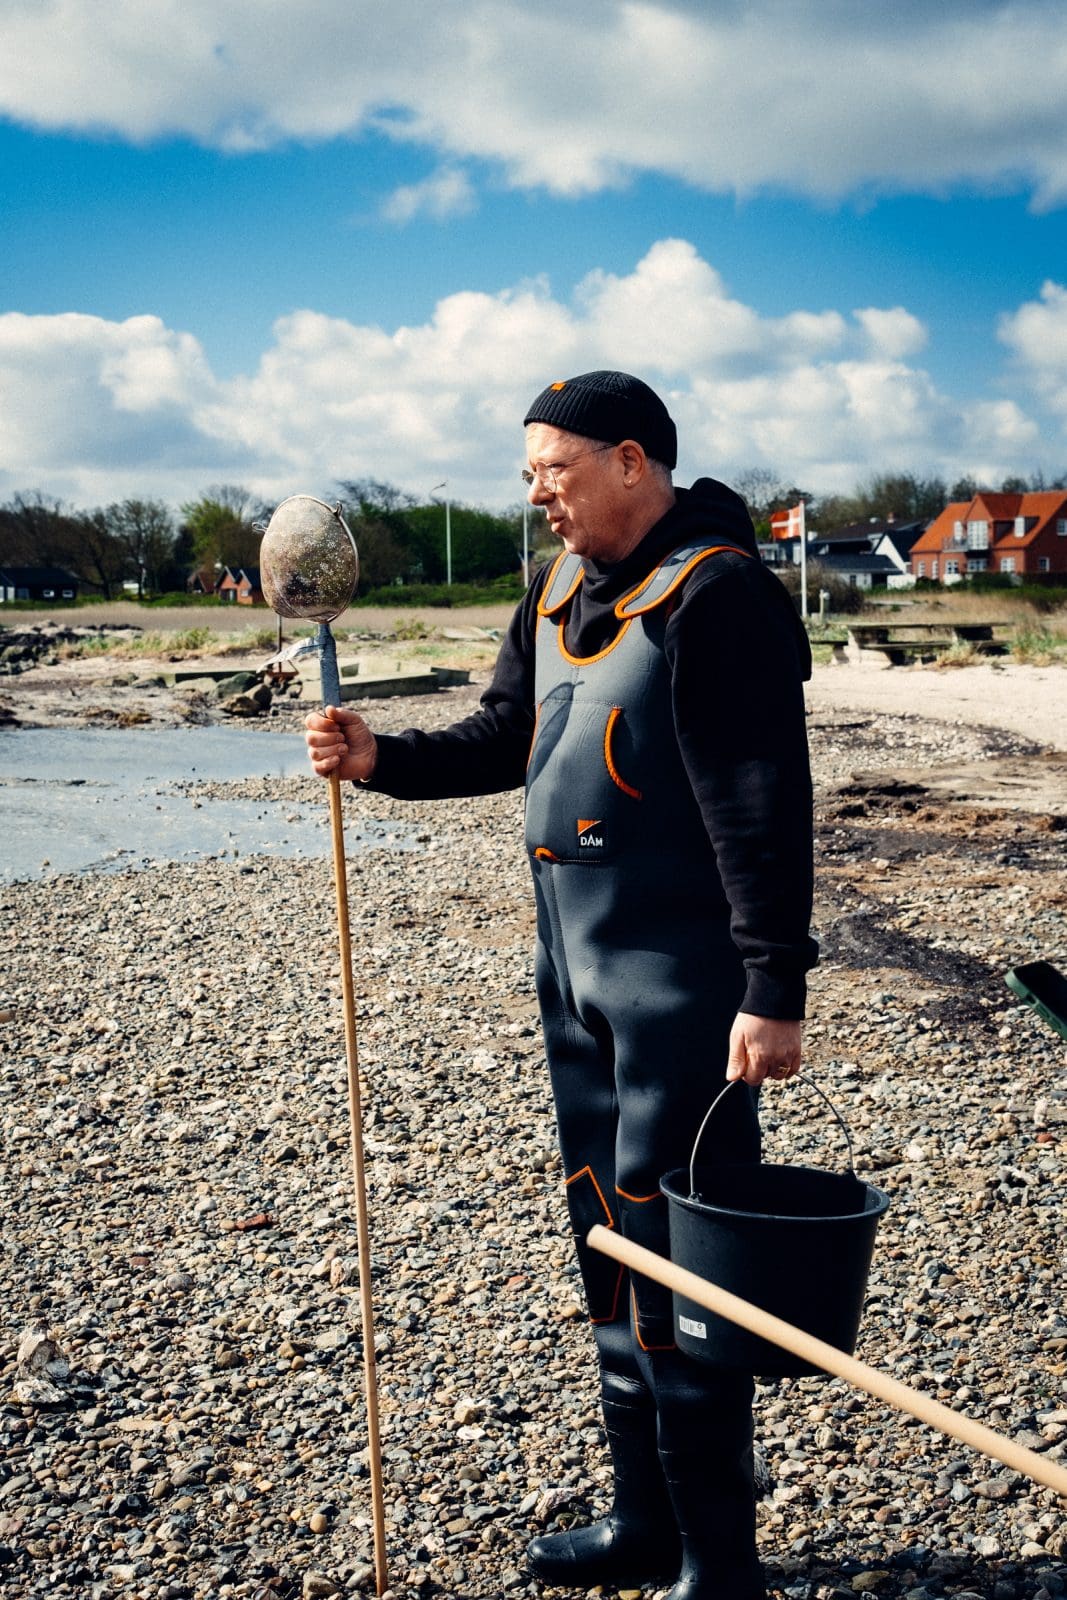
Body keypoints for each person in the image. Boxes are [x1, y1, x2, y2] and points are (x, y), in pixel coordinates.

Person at [305, 371, 817, 1600]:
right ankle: (642, 1524)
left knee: (671, 1239)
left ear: (631, 462)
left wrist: (772, 984)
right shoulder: (549, 592)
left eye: (554, 469)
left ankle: (719, 1561)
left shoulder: (719, 594)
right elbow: (506, 739)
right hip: (572, 974)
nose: (537, 495)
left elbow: (760, 798)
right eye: (529, 473)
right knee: (599, 1222)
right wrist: (380, 758)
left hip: (683, 986)